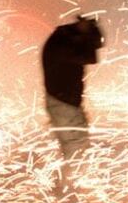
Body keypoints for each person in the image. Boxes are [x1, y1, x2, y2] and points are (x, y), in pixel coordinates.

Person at [41, 16, 104, 157]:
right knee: (76, 151)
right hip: (63, 105)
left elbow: (97, 45)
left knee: (76, 149)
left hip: (64, 104)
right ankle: (70, 178)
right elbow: (90, 56)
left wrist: (86, 32)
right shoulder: (62, 44)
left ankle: (70, 177)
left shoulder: (63, 38)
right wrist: (87, 32)